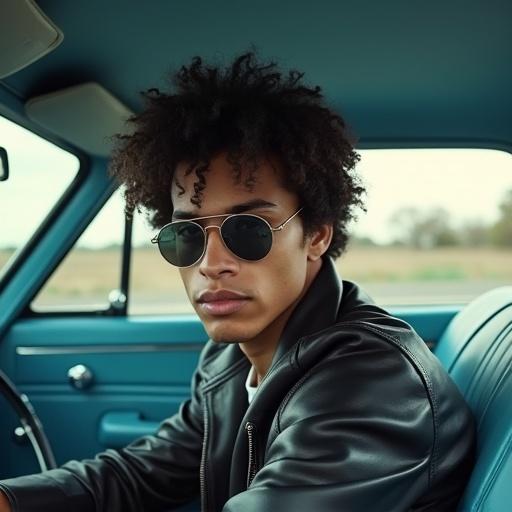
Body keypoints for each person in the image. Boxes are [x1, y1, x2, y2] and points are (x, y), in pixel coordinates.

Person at [0, 52, 475, 512]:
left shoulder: (371, 384)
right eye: (185, 235)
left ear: (317, 235)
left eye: (247, 230)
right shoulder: (232, 357)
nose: (211, 263)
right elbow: (141, 472)